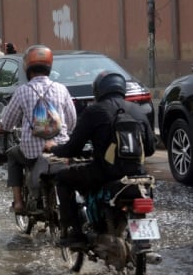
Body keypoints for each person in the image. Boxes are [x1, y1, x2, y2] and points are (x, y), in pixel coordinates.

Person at [43, 71, 156, 247]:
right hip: (138, 176)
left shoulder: (94, 111)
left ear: (99, 90)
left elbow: (72, 148)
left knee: (63, 178)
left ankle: (75, 234)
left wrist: (54, 148)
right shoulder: (138, 111)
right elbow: (149, 149)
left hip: (105, 174)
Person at [0, 45, 77, 215]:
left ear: (27, 69)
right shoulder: (61, 89)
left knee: (12, 155)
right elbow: (72, 121)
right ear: (49, 68)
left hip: (32, 152)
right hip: (60, 149)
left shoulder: (22, 91)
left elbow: (8, 123)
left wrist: (0, 128)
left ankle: (18, 203)